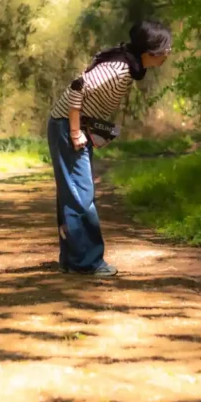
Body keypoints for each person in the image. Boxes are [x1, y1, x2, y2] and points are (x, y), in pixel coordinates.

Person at [48, 19, 173, 276]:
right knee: (81, 195)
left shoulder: (129, 67)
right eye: (165, 49)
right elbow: (76, 87)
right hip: (68, 127)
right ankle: (88, 263)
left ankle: (73, 260)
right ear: (149, 51)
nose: (168, 54)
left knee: (73, 194)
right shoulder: (119, 70)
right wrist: (74, 132)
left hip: (75, 126)